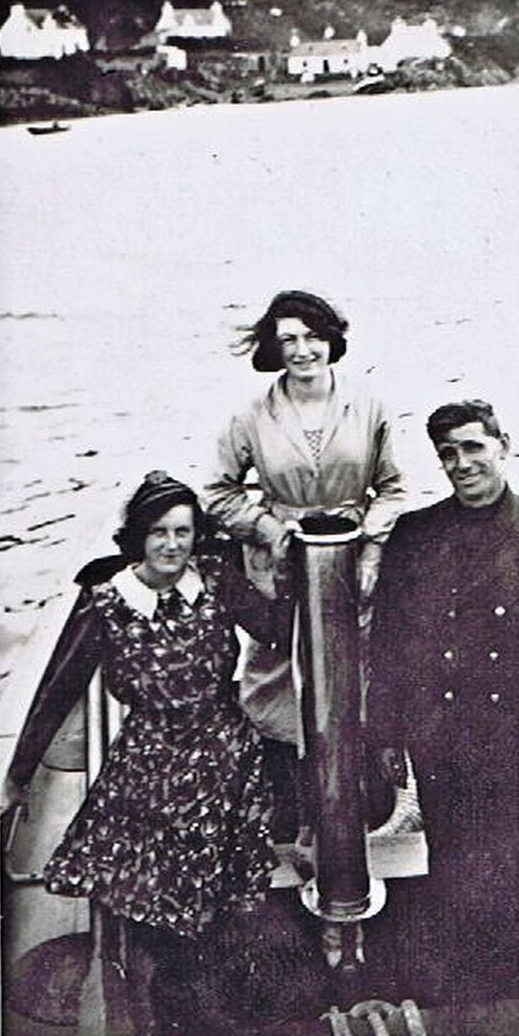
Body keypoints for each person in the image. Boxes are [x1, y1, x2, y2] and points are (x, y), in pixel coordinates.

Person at [0, 471, 292, 1036]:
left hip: (225, 762)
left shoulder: (215, 579)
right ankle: (170, 1012)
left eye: (183, 532)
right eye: (159, 532)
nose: (172, 545)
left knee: (222, 903)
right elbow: (60, 693)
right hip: (151, 768)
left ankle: (207, 1005)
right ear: (138, 537)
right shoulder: (108, 603)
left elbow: (275, 628)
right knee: (157, 906)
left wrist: (291, 561)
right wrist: (15, 777)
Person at [367, 399, 519, 1005]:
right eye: (448, 454)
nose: (462, 463)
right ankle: (464, 990)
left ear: (503, 444)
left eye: (473, 447)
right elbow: (389, 641)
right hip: (441, 734)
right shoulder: (416, 535)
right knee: (451, 861)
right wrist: (387, 734)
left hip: (518, 734)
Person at [205, 290, 408, 842]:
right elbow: (219, 494)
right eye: (288, 339)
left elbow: (392, 489)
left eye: (313, 336)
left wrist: (370, 546)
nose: (302, 350)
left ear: (332, 339)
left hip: (352, 564)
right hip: (282, 567)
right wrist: (270, 531)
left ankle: (364, 800)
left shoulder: (369, 405)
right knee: (276, 677)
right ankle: (287, 803)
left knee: (357, 674)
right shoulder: (250, 416)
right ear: (273, 346)